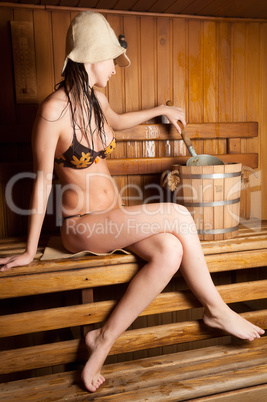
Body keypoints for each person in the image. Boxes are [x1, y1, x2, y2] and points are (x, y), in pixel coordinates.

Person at [0, 11, 264, 393]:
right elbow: (41, 182)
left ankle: (101, 338)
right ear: (91, 58)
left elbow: (118, 122)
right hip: (82, 226)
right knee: (177, 214)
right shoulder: (51, 113)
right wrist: (29, 250)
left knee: (171, 250)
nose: (116, 67)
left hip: (113, 218)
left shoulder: (96, 99)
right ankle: (217, 310)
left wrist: (162, 110)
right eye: (111, 58)